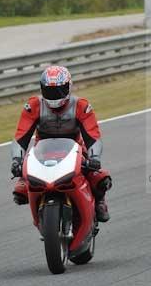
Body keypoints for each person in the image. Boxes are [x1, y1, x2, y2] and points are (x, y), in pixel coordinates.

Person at [10, 66, 112, 222]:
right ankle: (40, 212)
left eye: (59, 90)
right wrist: (17, 160)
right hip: (42, 152)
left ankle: (100, 201)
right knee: (20, 191)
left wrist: (95, 157)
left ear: (69, 87)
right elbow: (21, 137)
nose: (54, 96)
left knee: (101, 178)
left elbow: (93, 136)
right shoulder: (33, 106)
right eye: (49, 91)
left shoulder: (81, 106)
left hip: (76, 150)